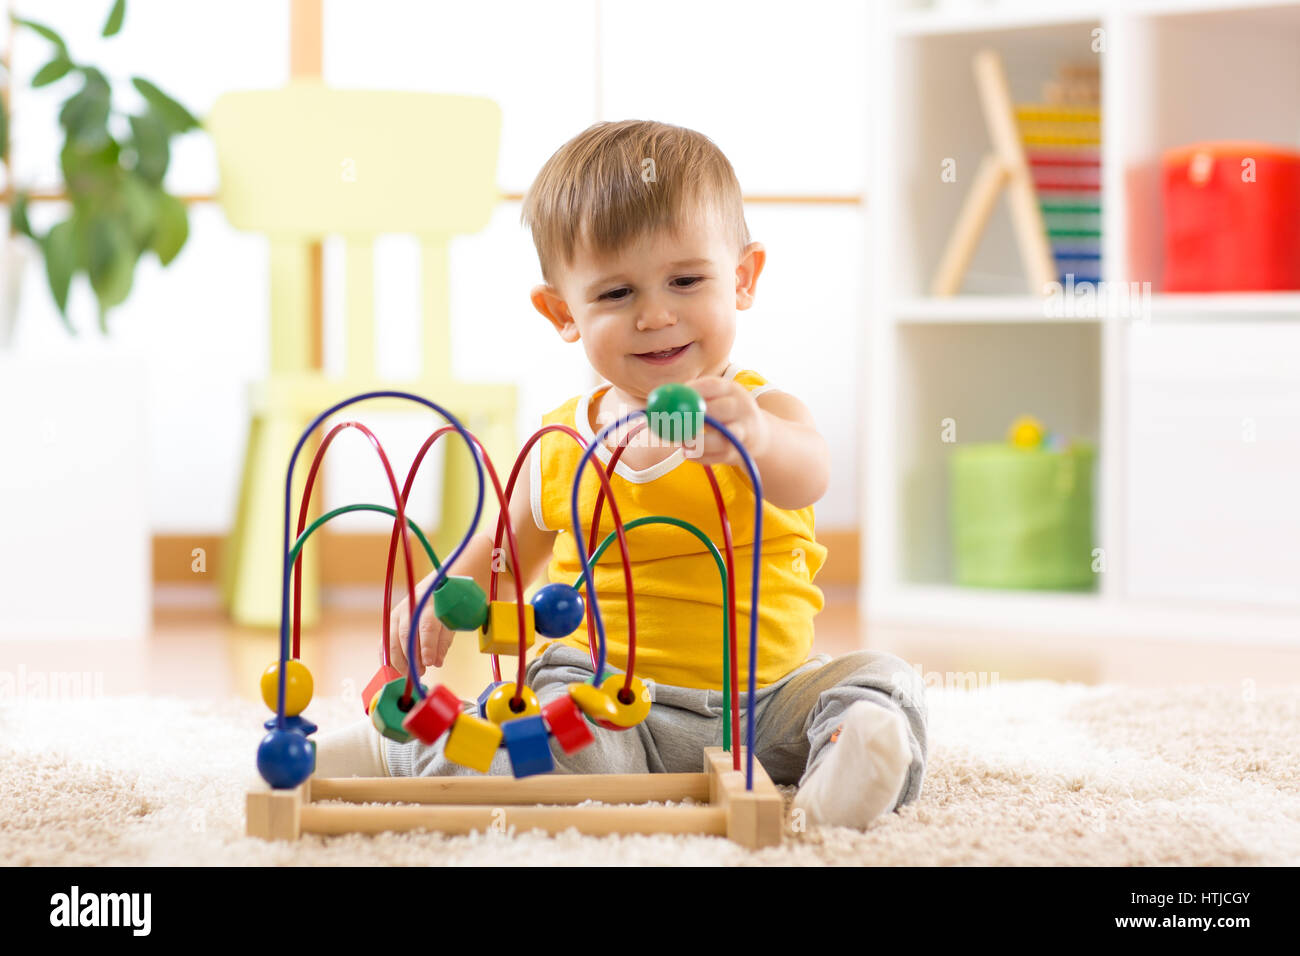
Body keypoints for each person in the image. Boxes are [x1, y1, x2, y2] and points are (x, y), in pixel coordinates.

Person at [316, 120, 927, 830]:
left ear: (744, 278)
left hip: (761, 702)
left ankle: (842, 775)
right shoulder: (560, 443)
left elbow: (808, 476)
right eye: (615, 295)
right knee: (540, 738)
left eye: (686, 280)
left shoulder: (764, 411)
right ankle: (397, 753)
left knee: (880, 681)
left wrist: (752, 438)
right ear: (561, 313)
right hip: (601, 697)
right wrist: (437, 591)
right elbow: (502, 560)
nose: (656, 315)